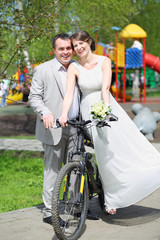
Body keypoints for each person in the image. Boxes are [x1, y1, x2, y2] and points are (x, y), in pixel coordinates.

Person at [59, 30, 160, 215]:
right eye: (75, 46)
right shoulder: (74, 67)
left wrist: (105, 112)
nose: (78, 48)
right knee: (104, 153)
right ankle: (112, 199)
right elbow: (69, 94)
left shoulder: (104, 61)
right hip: (86, 109)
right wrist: (63, 114)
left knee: (122, 147)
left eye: (81, 43)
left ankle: (131, 181)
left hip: (106, 108)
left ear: (89, 42)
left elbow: (105, 88)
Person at [29, 33, 98, 226]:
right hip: (53, 128)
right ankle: (49, 212)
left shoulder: (79, 67)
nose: (66, 52)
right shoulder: (42, 70)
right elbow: (34, 97)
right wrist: (45, 113)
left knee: (77, 169)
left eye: (69, 48)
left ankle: (76, 207)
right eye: (61, 49)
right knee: (52, 170)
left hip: (76, 126)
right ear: (54, 50)